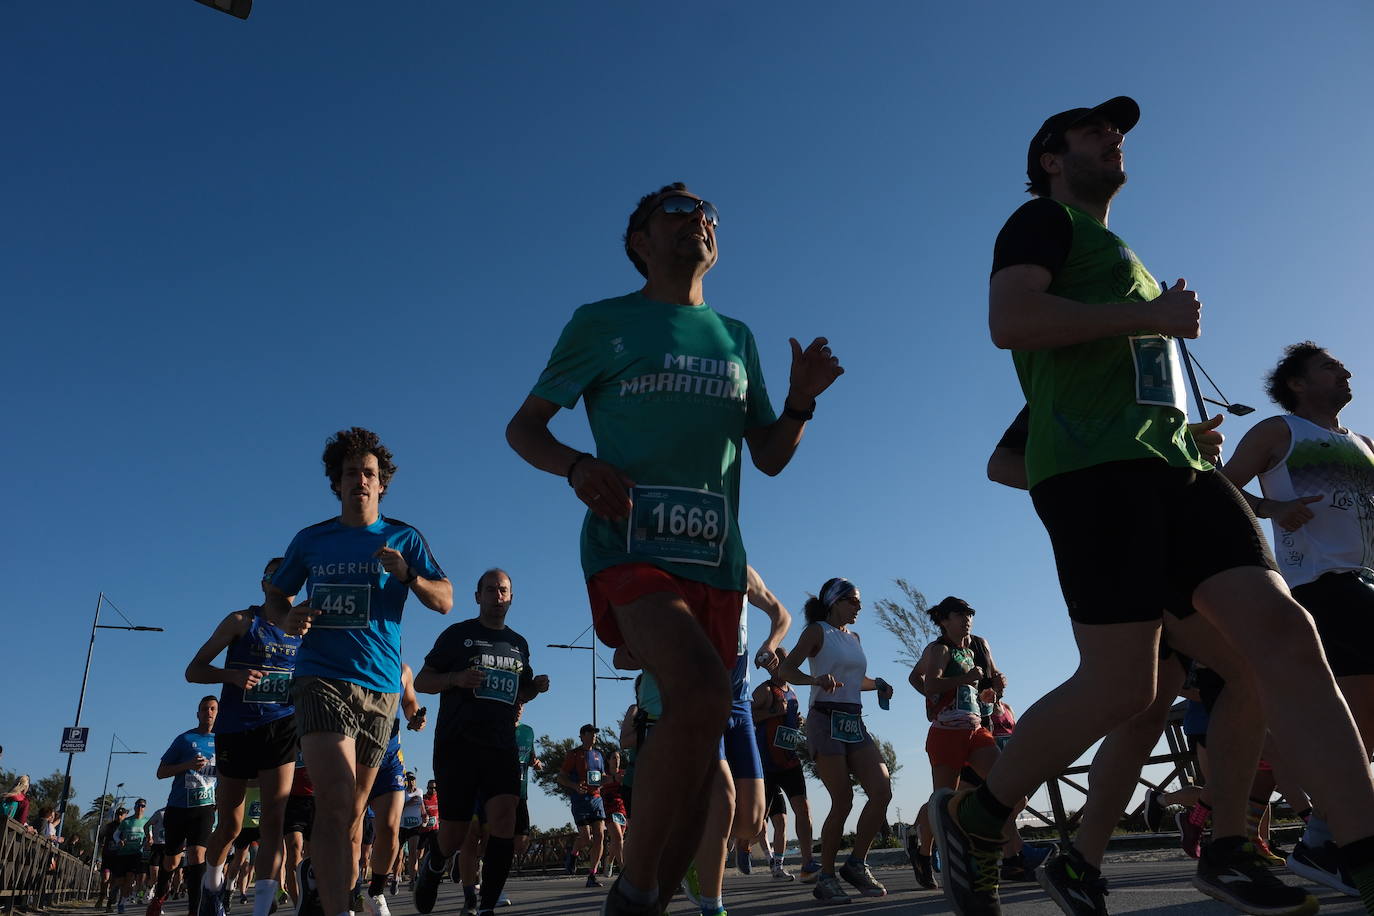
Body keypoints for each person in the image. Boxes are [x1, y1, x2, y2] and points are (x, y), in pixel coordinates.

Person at [935, 93, 1374, 916]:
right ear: (1051, 159)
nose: (1114, 136)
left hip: (1178, 469)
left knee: (1273, 639)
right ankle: (980, 814)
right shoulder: (1040, 225)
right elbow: (1010, 319)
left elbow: (1126, 366)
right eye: (1094, 128)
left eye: (1120, 129)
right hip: (1096, 476)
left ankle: (1282, 844)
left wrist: (1183, 422)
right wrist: (1152, 315)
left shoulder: (1120, 251)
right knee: (1122, 692)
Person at [506, 182, 843, 916]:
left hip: (716, 562)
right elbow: (524, 429)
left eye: (709, 215)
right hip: (629, 549)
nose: (700, 221)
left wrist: (801, 400)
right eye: (679, 211)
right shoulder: (602, 323)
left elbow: (772, 456)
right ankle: (631, 892)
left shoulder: (736, 336)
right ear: (640, 242)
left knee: (699, 747)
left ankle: (651, 899)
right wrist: (576, 465)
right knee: (697, 689)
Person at [263, 427, 453, 916]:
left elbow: (446, 600)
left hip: (381, 687)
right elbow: (276, 596)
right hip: (320, 677)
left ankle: (321, 880)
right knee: (335, 798)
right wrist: (288, 617)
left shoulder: (403, 538)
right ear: (337, 482)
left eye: (369, 473)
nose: (360, 481)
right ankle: (337, 907)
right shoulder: (311, 540)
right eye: (351, 473)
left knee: (351, 816)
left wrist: (407, 575)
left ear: (381, 483)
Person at [1220, 342, 1373, 896]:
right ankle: (1324, 840)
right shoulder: (1277, 431)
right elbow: (1223, 486)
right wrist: (1273, 509)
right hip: (1319, 586)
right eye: (1331, 368)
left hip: (1364, 582)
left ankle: (1324, 838)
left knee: (1361, 723)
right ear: (1298, 384)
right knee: (1353, 717)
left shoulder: (1362, 443)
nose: (1346, 372)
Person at [412, 568, 550, 916]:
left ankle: (486, 906)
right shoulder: (458, 636)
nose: (497, 596)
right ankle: (435, 863)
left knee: (503, 819)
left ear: (511, 597)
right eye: (490, 590)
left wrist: (536, 687)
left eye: (503, 590)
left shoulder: (518, 644)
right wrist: (456, 678)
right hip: (458, 744)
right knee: (455, 834)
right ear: (478, 596)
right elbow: (422, 682)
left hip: (501, 745)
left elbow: (521, 692)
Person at [186, 557, 301, 916]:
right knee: (232, 825)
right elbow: (194, 670)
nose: (282, 587)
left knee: (274, 820)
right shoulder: (241, 621)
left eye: (290, 581)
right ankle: (212, 885)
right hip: (237, 727)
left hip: (282, 726)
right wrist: (232, 676)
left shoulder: (306, 628)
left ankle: (263, 906)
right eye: (275, 579)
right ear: (264, 584)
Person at [779, 578, 894, 904]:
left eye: (858, 602)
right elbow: (787, 670)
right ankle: (826, 876)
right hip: (824, 719)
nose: (858, 607)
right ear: (834, 602)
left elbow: (855, 681)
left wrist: (879, 684)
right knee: (842, 799)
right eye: (852, 601)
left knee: (882, 790)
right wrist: (815, 679)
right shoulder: (817, 631)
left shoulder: (853, 637)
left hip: (853, 720)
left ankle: (856, 864)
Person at [360, 667, 426, 916]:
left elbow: (409, 701)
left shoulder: (402, 669)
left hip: (389, 758)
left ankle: (375, 891)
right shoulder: (354, 653)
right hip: (356, 754)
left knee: (389, 828)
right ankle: (349, 889)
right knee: (353, 832)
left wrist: (415, 717)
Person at [146, 696, 218, 916]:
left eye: (213, 709)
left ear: (218, 713)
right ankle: (159, 897)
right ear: (198, 714)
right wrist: (188, 765)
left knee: (197, 855)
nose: (209, 712)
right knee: (171, 861)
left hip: (205, 808)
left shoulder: (224, 741)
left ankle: (194, 909)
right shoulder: (185, 739)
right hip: (178, 807)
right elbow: (161, 772)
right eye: (204, 709)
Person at [751, 647, 816, 882]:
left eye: (788, 662)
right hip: (766, 763)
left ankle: (807, 862)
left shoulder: (793, 693)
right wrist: (771, 713)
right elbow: (746, 714)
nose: (784, 667)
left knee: (803, 809)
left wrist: (796, 721)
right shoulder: (765, 690)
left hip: (789, 761)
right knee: (756, 821)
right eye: (780, 663)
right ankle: (737, 846)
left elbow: (788, 721)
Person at [558, 724, 609, 888]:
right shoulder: (574, 754)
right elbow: (561, 777)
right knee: (586, 838)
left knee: (600, 836)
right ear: (581, 735)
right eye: (590, 733)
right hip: (580, 801)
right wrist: (574, 786)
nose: (593, 736)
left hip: (596, 800)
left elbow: (602, 776)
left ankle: (592, 875)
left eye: (595, 734)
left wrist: (611, 779)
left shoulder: (599, 755)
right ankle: (573, 854)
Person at [110, 800, 152, 914]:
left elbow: (149, 836)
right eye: (138, 805)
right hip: (123, 854)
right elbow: (116, 834)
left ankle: (122, 903)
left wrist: (149, 840)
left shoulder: (147, 821)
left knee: (129, 880)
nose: (140, 808)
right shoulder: (127, 821)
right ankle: (115, 889)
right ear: (134, 807)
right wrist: (119, 841)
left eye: (143, 806)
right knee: (120, 881)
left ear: (145, 808)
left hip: (136, 854)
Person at [513, 707, 540, 864]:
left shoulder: (528, 731)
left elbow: (531, 756)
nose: (519, 708)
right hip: (500, 791)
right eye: (516, 704)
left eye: (522, 705)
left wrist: (536, 763)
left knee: (522, 842)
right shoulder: (499, 727)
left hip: (521, 792)